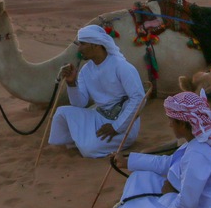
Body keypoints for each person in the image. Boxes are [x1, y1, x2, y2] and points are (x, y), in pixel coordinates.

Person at [109, 91, 211, 208]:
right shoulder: (196, 142)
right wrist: (128, 162)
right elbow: (168, 163)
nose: (169, 124)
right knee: (139, 175)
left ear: (182, 123)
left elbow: (187, 206)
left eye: (171, 121)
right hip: (180, 195)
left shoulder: (198, 155)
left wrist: (168, 193)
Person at [48, 24, 146, 158]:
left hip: (124, 124)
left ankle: (86, 141)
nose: (79, 48)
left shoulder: (122, 67)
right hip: (99, 116)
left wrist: (116, 127)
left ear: (96, 45)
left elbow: (139, 99)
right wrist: (72, 84)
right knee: (61, 112)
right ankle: (82, 140)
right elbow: (79, 104)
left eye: (82, 44)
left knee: (89, 149)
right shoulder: (86, 70)